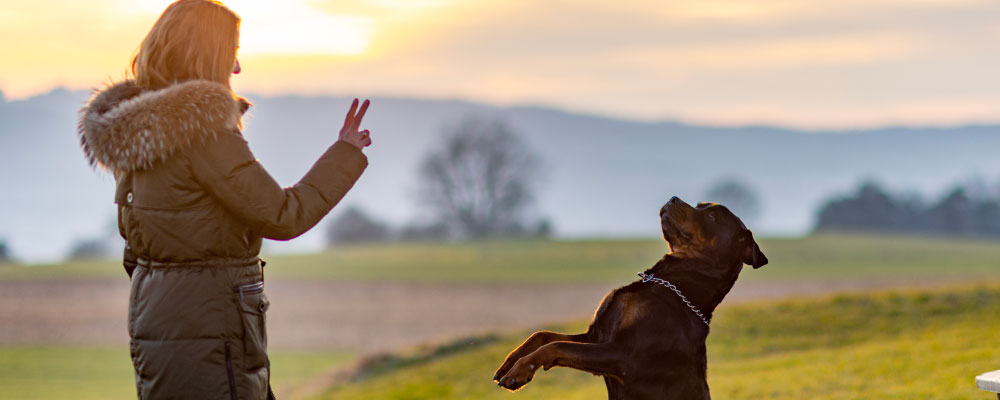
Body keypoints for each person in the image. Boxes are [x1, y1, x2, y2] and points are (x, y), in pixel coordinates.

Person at [77, 1, 372, 398]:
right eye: (232, 54)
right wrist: (345, 153)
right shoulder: (203, 132)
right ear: (208, 55)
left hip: (158, 325)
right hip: (211, 334)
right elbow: (284, 216)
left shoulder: (141, 132)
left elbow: (137, 247)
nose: (237, 69)